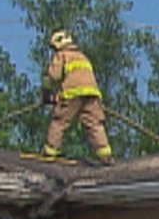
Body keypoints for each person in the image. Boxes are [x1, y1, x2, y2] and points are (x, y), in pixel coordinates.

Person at [41, 29, 113, 165]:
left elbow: (53, 76)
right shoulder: (83, 56)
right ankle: (106, 156)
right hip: (92, 94)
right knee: (95, 124)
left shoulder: (62, 55)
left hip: (72, 94)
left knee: (59, 122)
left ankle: (49, 154)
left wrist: (47, 93)